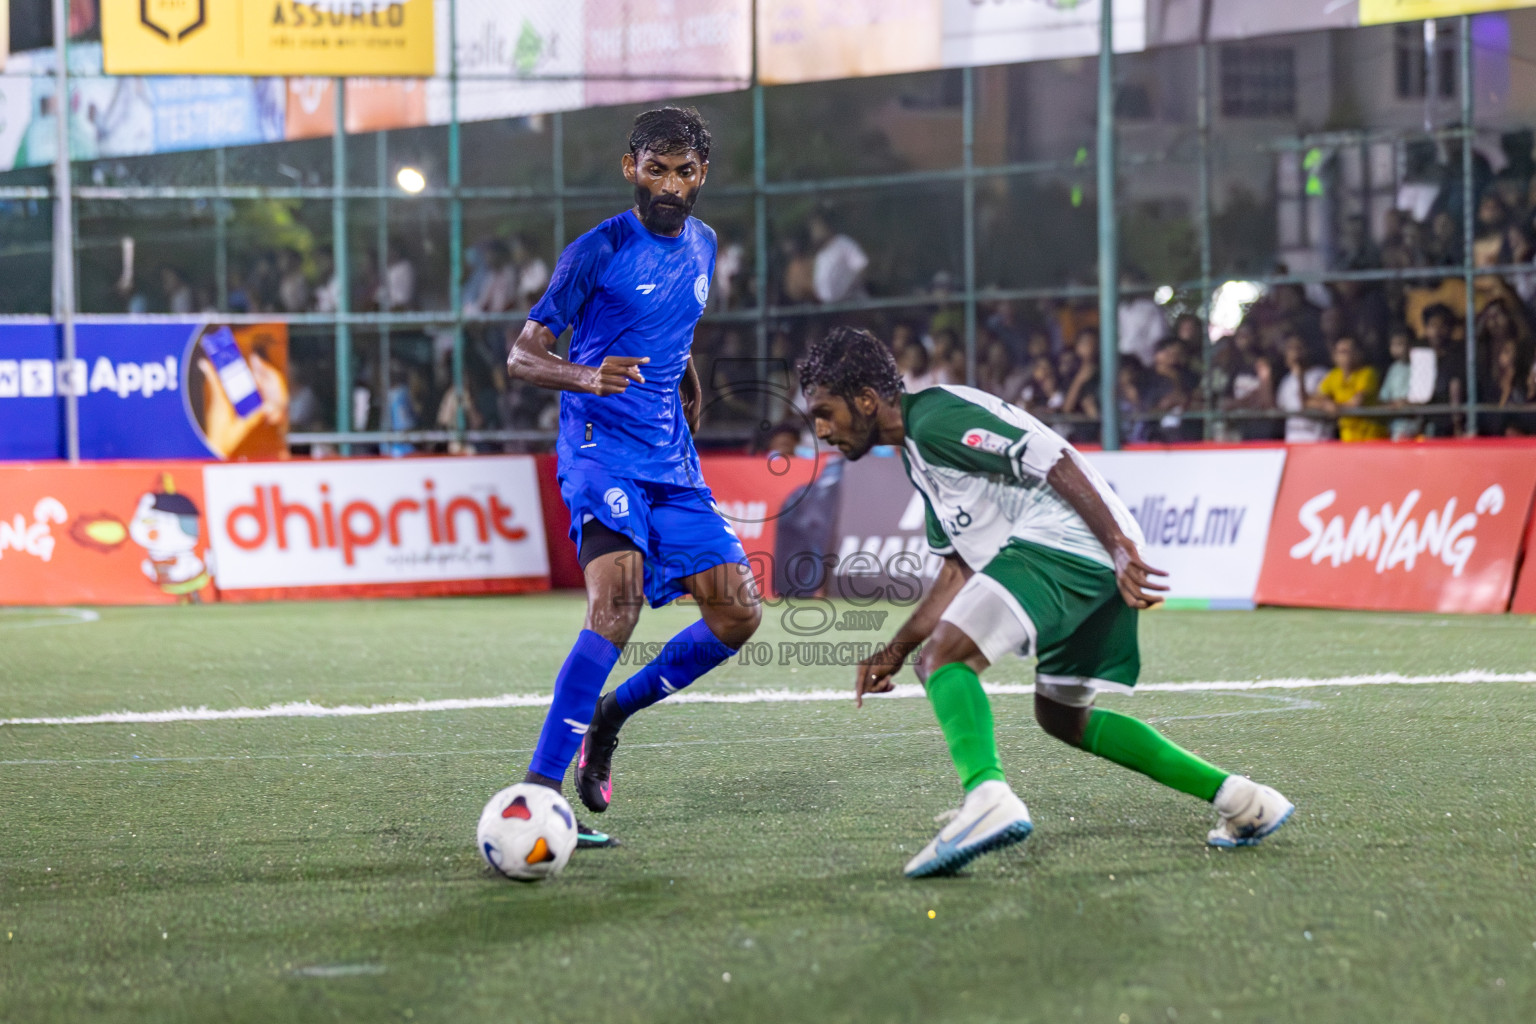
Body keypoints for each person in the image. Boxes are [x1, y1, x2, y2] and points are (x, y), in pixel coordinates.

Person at [797, 327, 1293, 878]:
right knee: (1061, 716)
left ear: (866, 399)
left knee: (945, 658)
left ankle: (988, 798)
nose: (821, 431)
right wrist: (894, 648)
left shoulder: (936, 420)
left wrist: (1120, 548)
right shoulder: (918, 452)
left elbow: (1051, 457)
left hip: (1073, 542)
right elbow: (958, 570)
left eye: (825, 412)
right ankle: (1243, 800)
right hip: (1086, 552)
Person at [503, 107, 761, 851]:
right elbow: (523, 357)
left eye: (684, 172)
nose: (670, 186)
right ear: (631, 168)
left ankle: (611, 717)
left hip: (671, 462)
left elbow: (672, 336)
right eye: (656, 170)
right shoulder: (598, 249)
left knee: (739, 615)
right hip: (600, 451)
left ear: (702, 175)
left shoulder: (706, 245)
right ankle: (539, 797)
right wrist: (587, 375)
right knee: (616, 606)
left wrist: (687, 386)